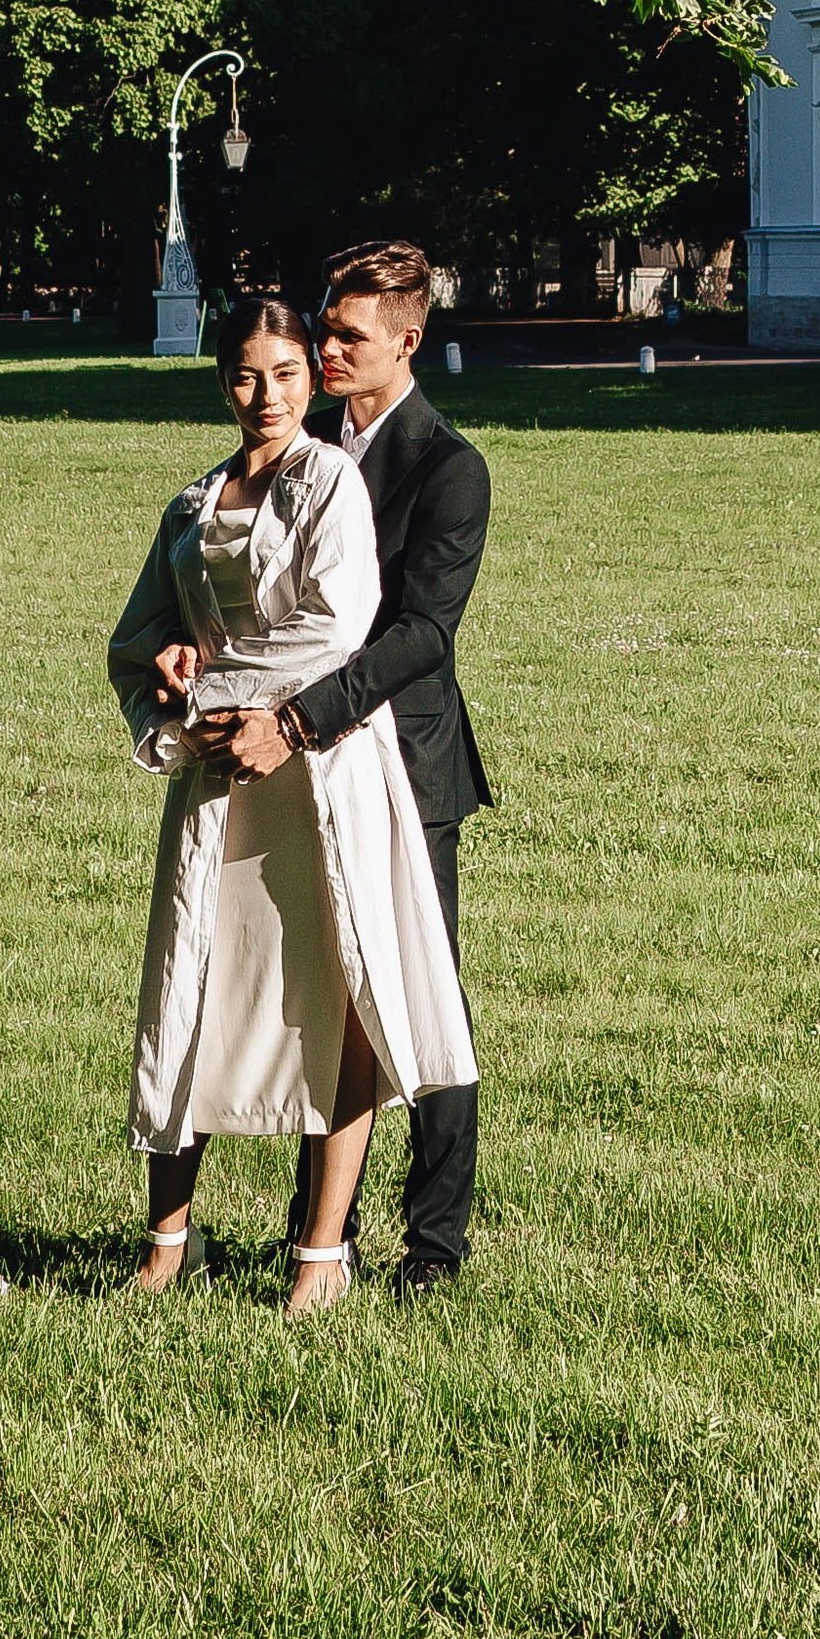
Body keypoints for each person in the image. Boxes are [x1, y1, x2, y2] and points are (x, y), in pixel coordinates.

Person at [105, 292, 475, 1315]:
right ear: (222, 381)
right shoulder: (191, 502)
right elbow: (135, 643)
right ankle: (167, 1245)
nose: (265, 394)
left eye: (285, 373)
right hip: (216, 779)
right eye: (244, 374)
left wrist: (218, 689)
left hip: (317, 770)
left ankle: (322, 1257)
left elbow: (338, 625)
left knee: (335, 997)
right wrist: (173, 698)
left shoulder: (330, 482)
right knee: (189, 989)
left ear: (310, 379)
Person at [196, 237, 491, 1299]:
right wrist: (195, 652)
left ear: (407, 342)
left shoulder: (449, 468)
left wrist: (300, 717)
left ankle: (436, 1245)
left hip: (403, 764)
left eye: (347, 334)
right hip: (293, 763)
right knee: (319, 999)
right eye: (322, 328)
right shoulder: (302, 444)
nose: (324, 349)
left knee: (415, 996)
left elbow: (421, 635)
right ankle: (321, 1236)